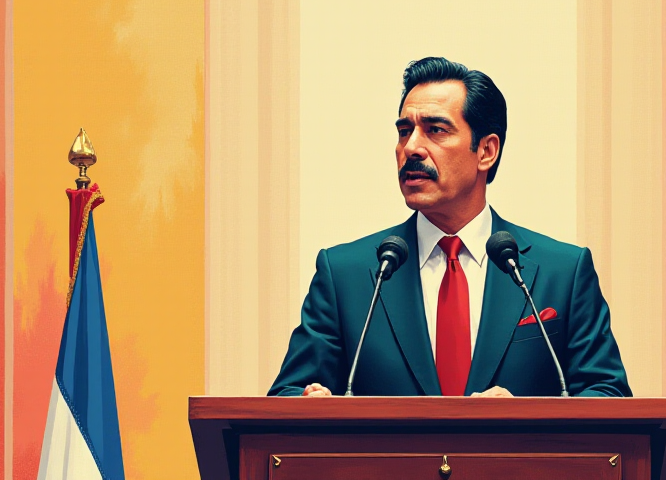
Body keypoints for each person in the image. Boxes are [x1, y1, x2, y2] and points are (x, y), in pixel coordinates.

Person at [268, 57, 631, 398]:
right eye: (404, 131)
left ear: (486, 151)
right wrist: (310, 405)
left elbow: (607, 394)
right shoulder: (346, 275)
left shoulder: (562, 273)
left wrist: (527, 421)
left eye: (435, 130)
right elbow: (286, 397)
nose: (411, 147)